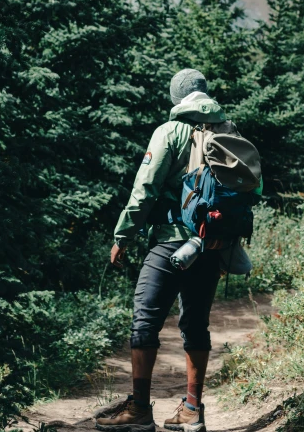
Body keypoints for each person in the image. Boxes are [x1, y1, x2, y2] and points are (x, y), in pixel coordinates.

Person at [95, 69, 229, 432]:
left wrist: (122, 236)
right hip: (210, 245)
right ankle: (192, 410)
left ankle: (139, 410)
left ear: (177, 97)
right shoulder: (229, 132)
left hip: (171, 240)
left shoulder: (169, 132)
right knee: (196, 324)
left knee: (145, 320)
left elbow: (145, 191)